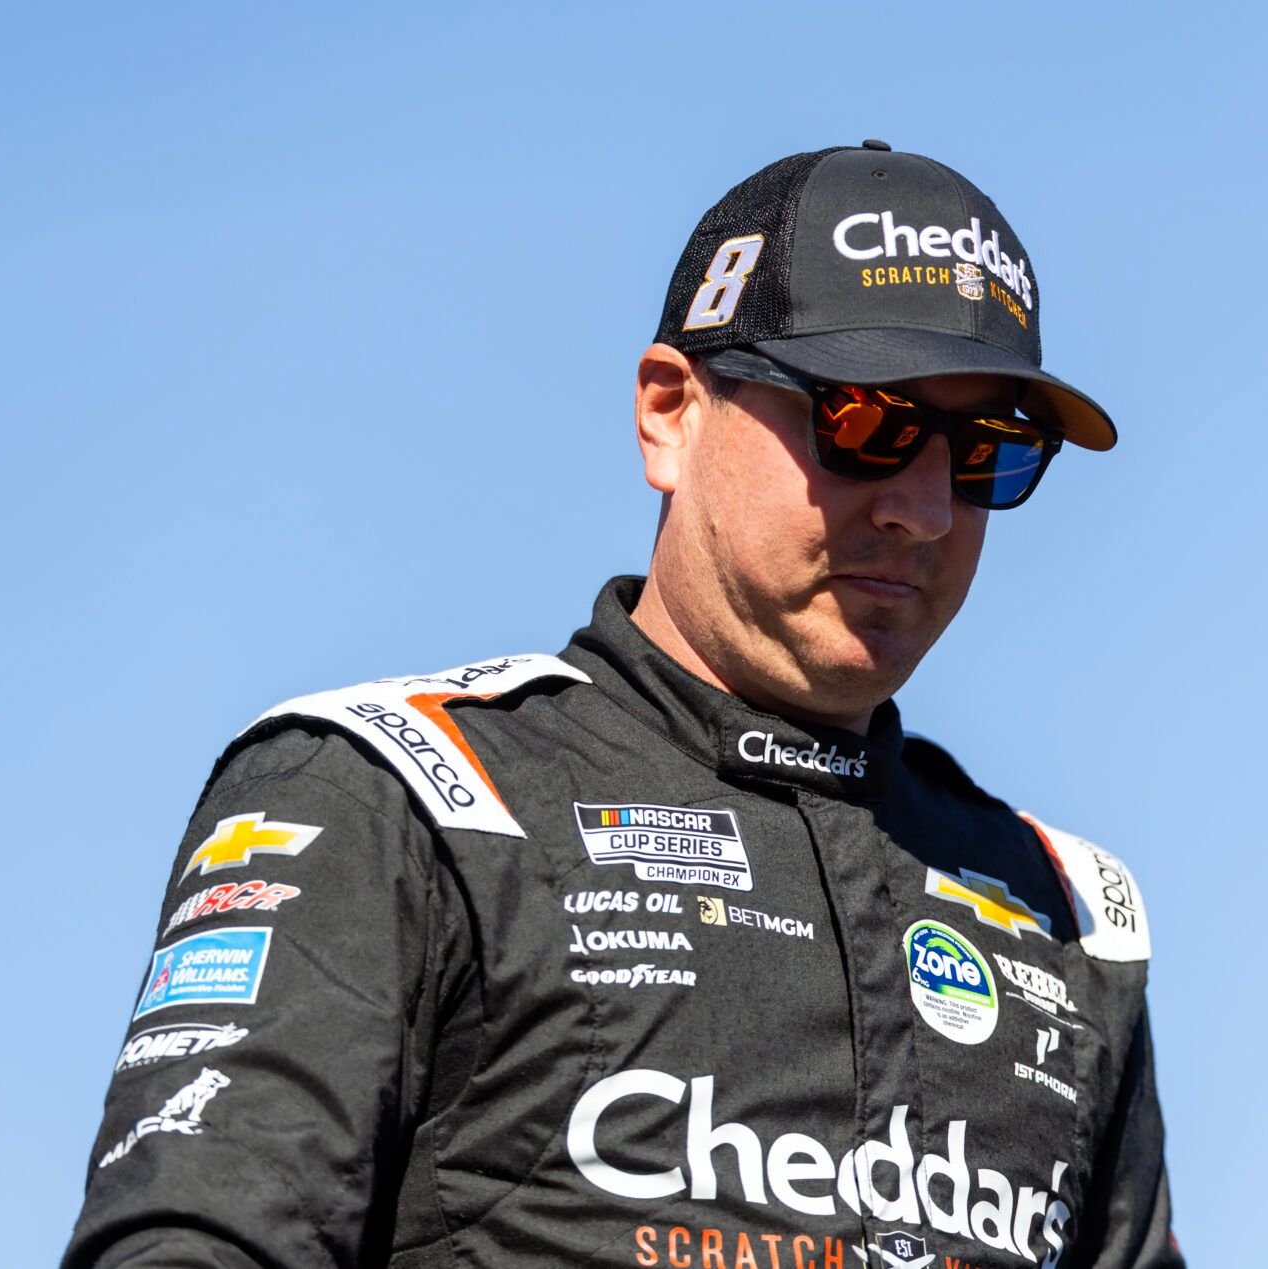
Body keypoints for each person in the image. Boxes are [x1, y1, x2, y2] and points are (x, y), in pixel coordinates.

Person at [65, 140, 1183, 1269]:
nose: (927, 509)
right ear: (670, 412)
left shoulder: (1070, 910)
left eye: (989, 452)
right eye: (866, 422)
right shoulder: (399, 790)